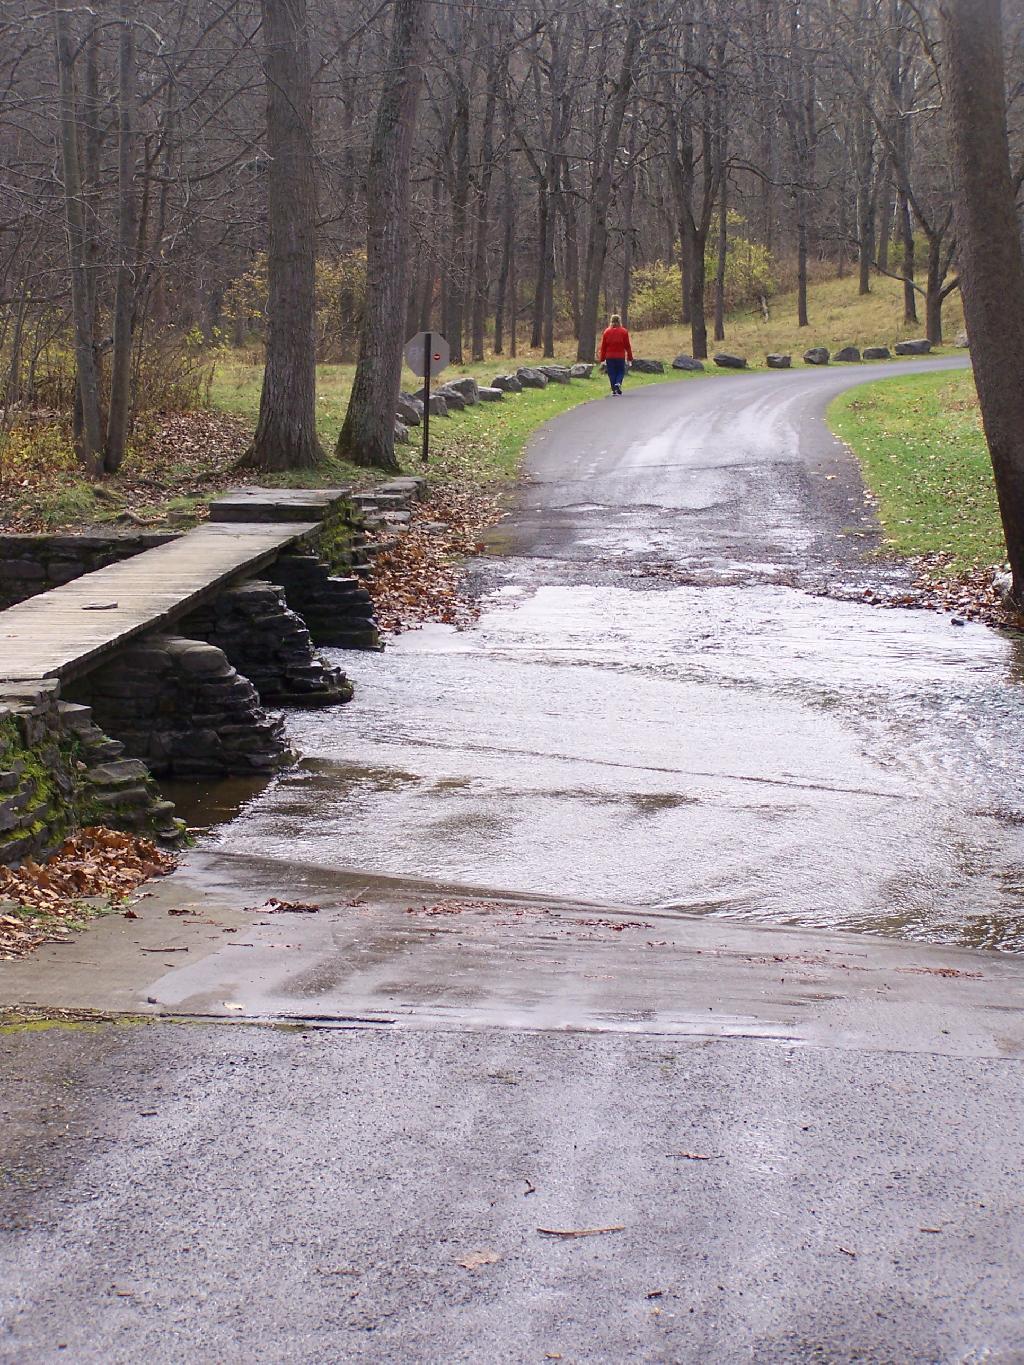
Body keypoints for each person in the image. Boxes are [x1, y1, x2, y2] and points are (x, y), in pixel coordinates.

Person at [598, 313, 634, 395]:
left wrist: (602, 359)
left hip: (609, 356)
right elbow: (627, 346)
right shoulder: (624, 332)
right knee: (621, 371)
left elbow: (603, 347)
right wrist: (630, 357)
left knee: (611, 372)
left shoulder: (606, 332)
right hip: (620, 356)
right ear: (619, 321)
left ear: (611, 321)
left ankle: (614, 389)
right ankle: (618, 383)